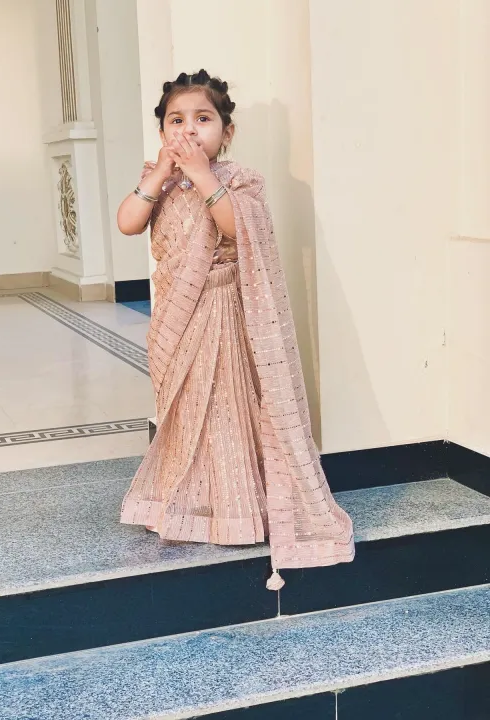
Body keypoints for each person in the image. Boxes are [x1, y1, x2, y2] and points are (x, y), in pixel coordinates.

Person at [118, 69, 354, 589]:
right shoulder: (157, 182)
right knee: (183, 411)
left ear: (226, 133)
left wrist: (203, 175)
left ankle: (237, 510)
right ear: (162, 133)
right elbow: (128, 222)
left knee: (225, 409)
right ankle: (186, 502)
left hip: (224, 314)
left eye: (203, 119)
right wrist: (159, 174)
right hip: (176, 320)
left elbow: (236, 228)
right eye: (176, 120)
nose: (189, 129)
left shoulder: (239, 179)